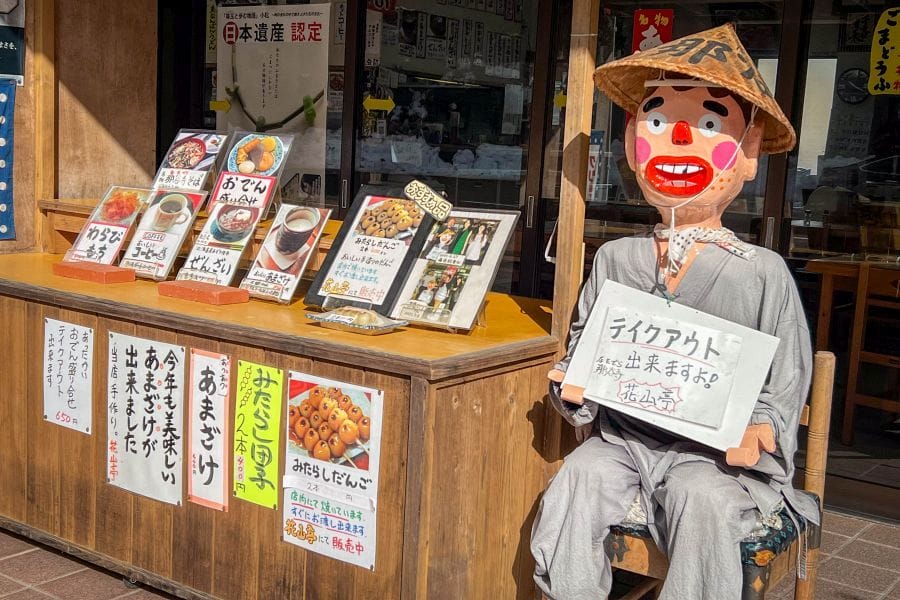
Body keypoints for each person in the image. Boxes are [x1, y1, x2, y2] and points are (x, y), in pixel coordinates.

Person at [530, 24, 817, 600]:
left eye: (709, 125)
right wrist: (575, 384)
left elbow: (786, 380)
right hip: (625, 441)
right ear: (635, 139)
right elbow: (587, 344)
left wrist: (758, 431)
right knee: (577, 482)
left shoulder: (761, 271)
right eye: (657, 123)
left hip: (713, 458)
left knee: (703, 499)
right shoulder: (616, 257)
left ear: (749, 151)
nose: (678, 138)